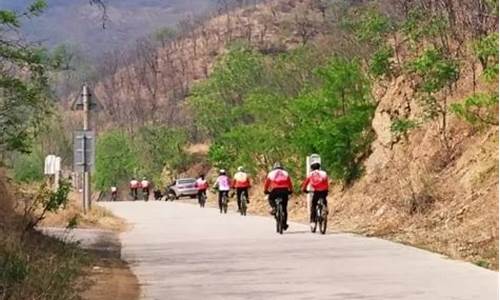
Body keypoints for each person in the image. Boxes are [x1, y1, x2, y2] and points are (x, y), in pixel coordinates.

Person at [264, 162, 293, 230]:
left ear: (274, 167)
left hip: (275, 190)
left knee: (270, 198)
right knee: (284, 208)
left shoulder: (271, 173)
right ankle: (284, 224)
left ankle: (274, 207)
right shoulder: (285, 173)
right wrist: (290, 190)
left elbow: (266, 183)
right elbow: (289, 183)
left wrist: (265, 190)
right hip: (284, 191)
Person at [301, 162, 329, 229]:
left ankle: (313, 221)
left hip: (316, 191)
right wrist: (326, 189)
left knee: (313, 205)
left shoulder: (311, 174)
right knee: (324, 199)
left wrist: (304, 189)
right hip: (324, 190)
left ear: (312, 168)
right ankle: (325, 209)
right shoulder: (324, 173)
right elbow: (326, 182)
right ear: (319, 167)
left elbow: (306, 183)